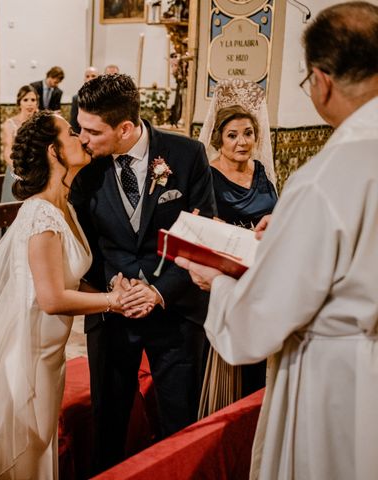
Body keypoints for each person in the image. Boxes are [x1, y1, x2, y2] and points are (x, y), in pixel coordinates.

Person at [176, 3, 378, 479]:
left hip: (339, 382)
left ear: (322, 81)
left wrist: (217, 281)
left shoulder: (327, 178)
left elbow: (255, 325)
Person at [0, 111, 141, 479]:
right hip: (27, 357)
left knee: (39, 443)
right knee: (23, 449)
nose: (81, 137)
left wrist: (107, 290)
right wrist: (115, 304)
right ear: (54, 151)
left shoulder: (64, 207)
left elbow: (66, 276)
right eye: (71, 133)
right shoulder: (40, 215)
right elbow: (51, 298)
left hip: (50, 356)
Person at [71, 73, 217, 473]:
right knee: (109, 420)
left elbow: (202, 236)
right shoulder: (86, 168)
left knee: (179, 417)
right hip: (112, 313)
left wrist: (156, 291)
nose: (82, 139)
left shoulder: (187, 156)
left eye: (91, 131)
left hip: (175, 310)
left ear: (125, 128)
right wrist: (110, 288)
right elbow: (82, 241)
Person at [196, 101, 278, 417]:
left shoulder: (262, 175)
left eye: (248, 134)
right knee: (224, 366)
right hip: (224, 278)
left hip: (259, 280)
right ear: (218, 139)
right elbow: (203, 224)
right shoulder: (208, 176)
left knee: (255, 361)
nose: (242, 142)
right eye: (232, 135)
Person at [0, 84, 39, 203]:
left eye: (33, 100)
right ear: (19, 103)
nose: (30, 103)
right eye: (25, 100)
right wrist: (20, 173)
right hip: (16, 173)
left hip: (36, 173)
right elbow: (7, 153)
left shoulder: (40, 123)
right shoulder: (10, 124)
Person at [69, 66, 99, 133]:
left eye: (93, 76)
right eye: (87, 76)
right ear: (84, 79)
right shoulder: (76, 98)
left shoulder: (105, 97)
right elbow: (73, 122)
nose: (90, 78)